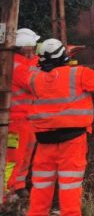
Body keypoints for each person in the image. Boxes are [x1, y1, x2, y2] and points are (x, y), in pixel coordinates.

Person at [25, 38, 94, 216]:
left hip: (44, 143)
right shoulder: (79, 74)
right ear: (64, 56)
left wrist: (56, 56)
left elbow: (39, 66)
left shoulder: (33, 79)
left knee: (40, 189)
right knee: (69, 188)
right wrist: (71, 62)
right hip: (72, 143)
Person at [3, 28, 41, 202]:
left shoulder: (29, 61)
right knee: (13, 158)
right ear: (24, 48)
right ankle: (6, 191)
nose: (33, 50)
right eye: (31, 47)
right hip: (16, 121)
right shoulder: (16, 65)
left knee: (26, 155)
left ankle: (18, 186)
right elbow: (33, 83)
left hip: (29, 119)